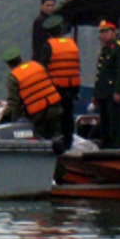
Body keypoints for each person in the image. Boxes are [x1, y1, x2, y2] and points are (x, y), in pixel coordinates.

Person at [0, 46, 64, 144]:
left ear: (9, 64)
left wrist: (14, 124)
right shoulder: (37, 65)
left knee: (42, 143)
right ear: (20, 58)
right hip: (55, 109)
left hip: (38, 115)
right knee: (58, 139)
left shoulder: (14, 77)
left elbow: (15, 104)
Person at [91, 20, 120, 148]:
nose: (103, 35)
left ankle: (115, 147)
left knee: (115, 124)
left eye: (106, 31)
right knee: (105, 123)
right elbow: (100, 74)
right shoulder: (105, 50)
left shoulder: (119, 48)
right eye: (101, 32)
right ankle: (106, 145)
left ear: (113, 32)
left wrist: (118, 91)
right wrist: (96, 93)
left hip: (113, 92)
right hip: (104, 93)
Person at [42, 14, 80, 144]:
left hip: (56, 89)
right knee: (68, 118)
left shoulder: (49, 46)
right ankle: (69, 143)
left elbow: (43, 68)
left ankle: (58, 146)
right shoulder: (72, 44)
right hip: (72, 89)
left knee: (56, 119)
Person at [31, 0, 57, 66]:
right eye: (47, 5)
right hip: (41, 59)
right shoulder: (39, 21)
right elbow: (38, 44)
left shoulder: (55, 21)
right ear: (42, 6)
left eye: (52, 6)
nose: (50, 8)